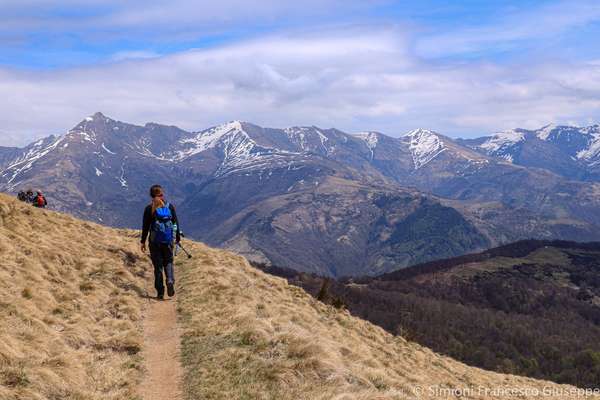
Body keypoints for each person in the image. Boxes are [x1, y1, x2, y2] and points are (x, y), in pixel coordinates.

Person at [140, 184, 180, 300]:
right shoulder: (169, 207)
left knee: (158, 267)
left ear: (152, 196)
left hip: (154, 242)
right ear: (161, 195)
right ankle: (170, 280)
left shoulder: (149, 209)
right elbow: (175, 223)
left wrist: (142, 241)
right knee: (168, 261)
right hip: (168, 241)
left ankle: (160, 292)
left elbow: (145, 227)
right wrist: (177, 237)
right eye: (162, 194)